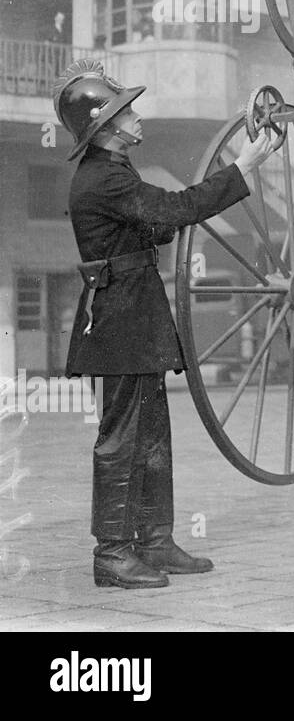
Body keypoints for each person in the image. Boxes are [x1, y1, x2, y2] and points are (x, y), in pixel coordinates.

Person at [54, 60, 276, 589]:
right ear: (105, 127)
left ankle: (153, 541)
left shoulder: (114, 173)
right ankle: (112, 554)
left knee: (151, 435)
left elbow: (153, 224)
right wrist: (242, 167)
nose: (137, 116)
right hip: (119, 322)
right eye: (127, 110)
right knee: (121, 439)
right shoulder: (104, 178)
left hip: (134, 315)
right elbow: (176, 209)